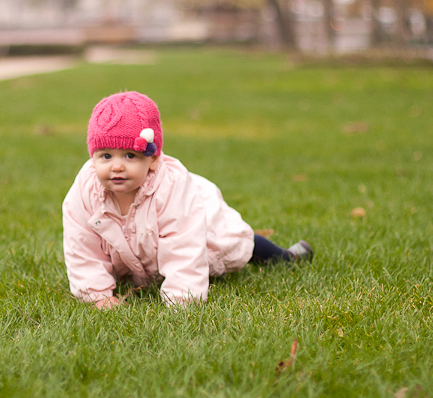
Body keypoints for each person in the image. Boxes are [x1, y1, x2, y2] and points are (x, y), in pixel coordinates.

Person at [62, 90, 313, 308]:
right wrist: (96, 295)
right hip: (136, 253)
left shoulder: (171, 190)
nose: (116, 166)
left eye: (130, 156)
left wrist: (182, 300)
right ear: (93, 157)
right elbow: (81, 247)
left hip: (200, 226)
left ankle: (285, 257)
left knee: (235, 243)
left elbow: (184, 246)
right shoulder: (85, 192)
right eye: (106, 156)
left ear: (153, 159)